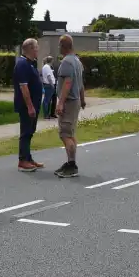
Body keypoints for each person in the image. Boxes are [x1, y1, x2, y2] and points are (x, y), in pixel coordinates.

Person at [54, 35, 87, 178]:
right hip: (76, 101)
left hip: (69, 102)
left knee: (65, 134)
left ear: (63, 46)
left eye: (59, 45)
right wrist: (83, 99)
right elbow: (80, 83)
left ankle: (72, 165)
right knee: (71, 134)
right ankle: (70, 162)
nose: (58, 48)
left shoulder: (67, 62)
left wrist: (60, 103)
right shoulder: (77, 61)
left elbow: (67, 83)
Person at [13, 38, 44, 171]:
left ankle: (28, 157)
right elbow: (24, 87)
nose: (38, 49)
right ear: (30, 49)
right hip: (26, 105)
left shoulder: (31, 63)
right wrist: (30, 106)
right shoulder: (22, 64)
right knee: (25, 132)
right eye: (36, 47)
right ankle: (22, 160)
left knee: (31, 131)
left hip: (35, 104)